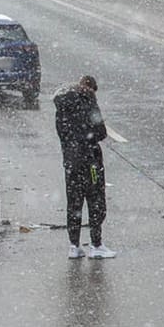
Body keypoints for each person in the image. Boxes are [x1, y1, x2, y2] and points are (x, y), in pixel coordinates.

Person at [53, 75, 114, 258]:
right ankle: (96, 245)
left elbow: (62, 133)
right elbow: (101, 132)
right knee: (95, 201)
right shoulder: (88, 102)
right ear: (91, 89)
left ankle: (74, 245)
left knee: (74, 202)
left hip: (71, 161)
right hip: (90, 162)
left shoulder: (61, 107)